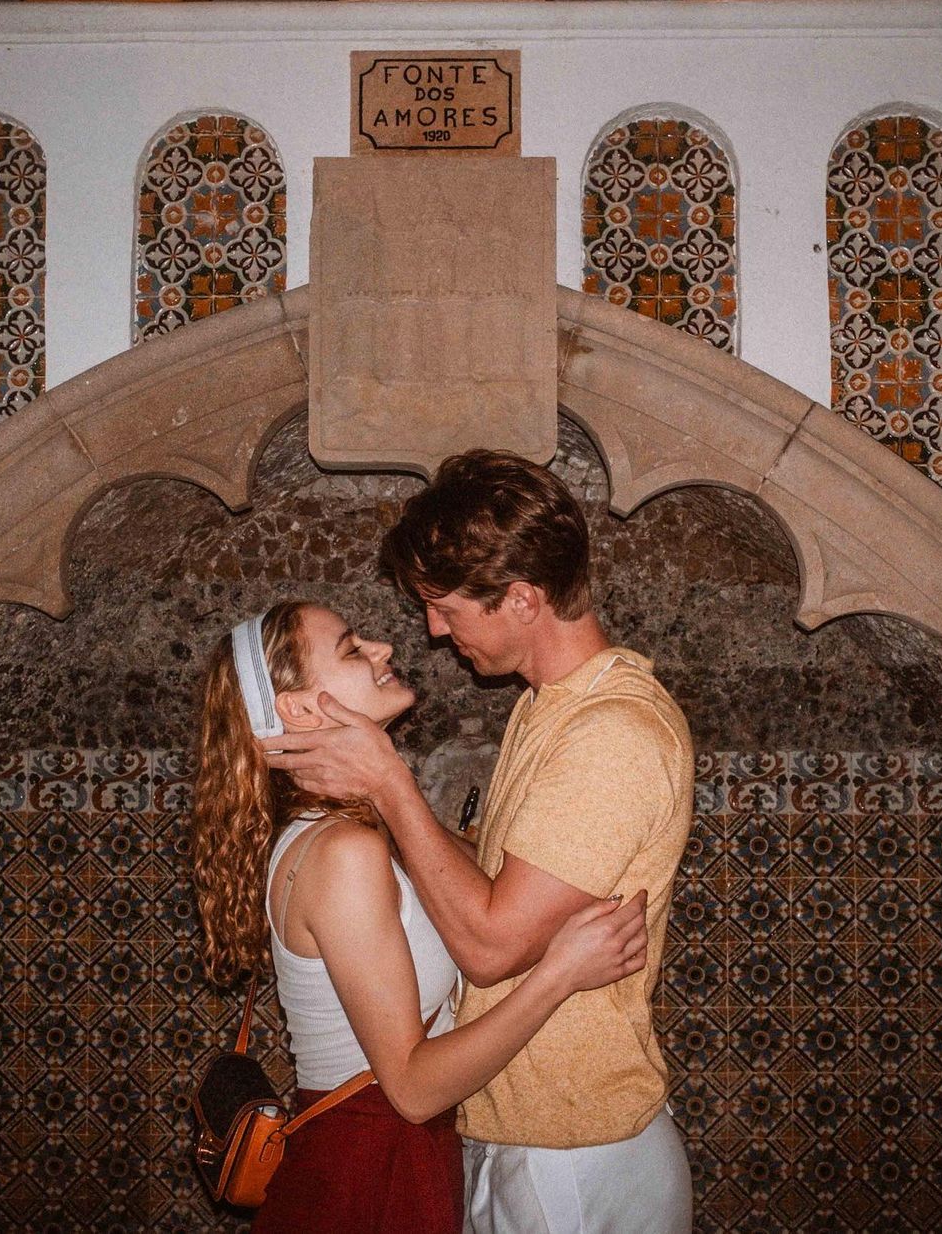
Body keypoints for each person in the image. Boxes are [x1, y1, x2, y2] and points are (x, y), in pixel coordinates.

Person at [265, 450, 696, 1234]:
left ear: (522, 599)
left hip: (575, 1146)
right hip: (532, 1133)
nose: (433, 630)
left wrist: (391, 783)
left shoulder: (612, 733)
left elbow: (492, 947)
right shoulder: (548, 706)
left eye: (446, 607)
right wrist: (383, 806)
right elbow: (500, 883)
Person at [191, 599, 651, 1234]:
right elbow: (411, 1089)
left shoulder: (350, 832)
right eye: (352, 649)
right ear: (299, 710)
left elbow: (476, 887)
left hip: (385, 1158)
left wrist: (392, 788)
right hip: (369, 1171)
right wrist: (561, 973)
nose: (382, 648)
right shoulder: (343, 853)